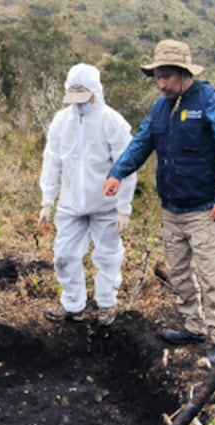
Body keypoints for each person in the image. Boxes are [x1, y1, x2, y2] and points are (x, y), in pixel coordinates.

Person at [103, 39, 215, 365]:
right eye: (158, 77)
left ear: (183, 73)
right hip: (172, 208)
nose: (162, 84)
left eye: (166, 76)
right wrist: (117, 173)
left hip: (205, 209)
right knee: (178, 274)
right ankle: (194, 327)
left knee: (210, 275)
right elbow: (141, 143)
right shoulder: (160, 109)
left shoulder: (211, 102)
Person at [39, 63, 137, 327]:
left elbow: (126, 165)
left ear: (95, 91)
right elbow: (52, 160)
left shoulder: (112, 122)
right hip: (71, 203)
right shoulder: (62, 121)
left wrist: (123, 207)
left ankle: (106, 303)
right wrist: (48, 199)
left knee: (107, 256)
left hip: (105, 204)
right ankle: (73, 305)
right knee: (64, 256)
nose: (79, 104)